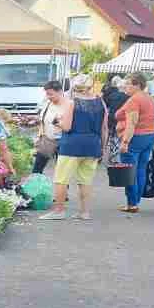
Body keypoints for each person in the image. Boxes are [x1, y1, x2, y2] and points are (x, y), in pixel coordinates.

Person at [39, 74, 107, 221]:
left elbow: (67, 127)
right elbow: (104, 129)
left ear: (74, 88)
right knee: (85, 181)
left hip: (72, 145)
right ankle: (84, 212)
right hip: (93, 145)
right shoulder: (101, 102)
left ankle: (59, 211)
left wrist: (57, 122)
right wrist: (103, 147)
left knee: (61, 179)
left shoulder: (72, 103)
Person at [114, 72, 154, 213]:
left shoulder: (134, 100)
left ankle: (132, 203)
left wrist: (125, 142)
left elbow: (131, 123)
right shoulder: (149, 98)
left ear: (137, 85)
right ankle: (136, 200)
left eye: (128, 84)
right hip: (150, 135)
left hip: (136, 137)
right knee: (140, 169)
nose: (125, 86)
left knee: (129, 170)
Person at [33, 80, 70, 174]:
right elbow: (43, 121)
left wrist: (58, 122)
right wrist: (39, 136)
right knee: (37, 169)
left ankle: (62, 189)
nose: (48, 97)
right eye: (47, 94)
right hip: (47, 141)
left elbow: (70, 125)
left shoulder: (69, 105)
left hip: (63, 142)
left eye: (51, 94)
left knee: (62, 173)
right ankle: (35, 187)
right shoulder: (47, 103)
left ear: (60, 92)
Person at [102, 76, 130, 162]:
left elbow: (105, 106)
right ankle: (114, 157)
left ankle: (101, 154)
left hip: (110, 118)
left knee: (107, 136)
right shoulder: (128, 97)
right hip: (121, 119)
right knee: (117, 138)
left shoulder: (112, 95)